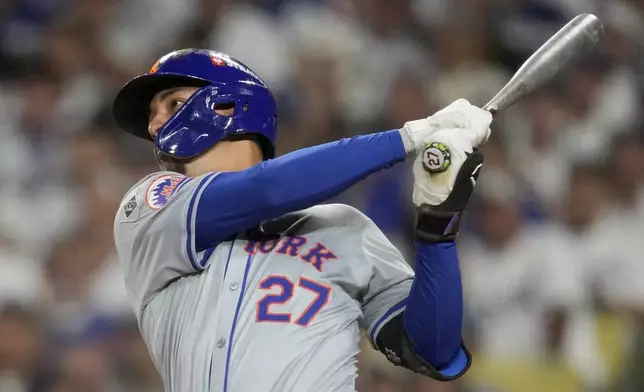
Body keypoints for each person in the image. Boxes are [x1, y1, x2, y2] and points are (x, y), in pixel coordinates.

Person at [112, 48, 492, 391]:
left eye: (172, 104)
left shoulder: (343, 228)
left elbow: (434, 351)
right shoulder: (151, 208)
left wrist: (438, 222)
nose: (153, 126)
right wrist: (411, 136)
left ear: (228, 106)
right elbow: (265, 190)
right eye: (151, 115)